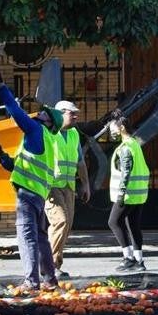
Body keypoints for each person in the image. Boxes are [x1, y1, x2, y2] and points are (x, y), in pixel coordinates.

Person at [0, 67, 61, 291]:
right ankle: (50, 280)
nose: (40, 113)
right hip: (38, 196)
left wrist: (1, 86)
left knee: (27, 236)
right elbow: (19, 167)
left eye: (44, 114)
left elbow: (15, 111)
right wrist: (2, 156)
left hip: (27, 196)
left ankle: (32, 281)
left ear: (49, 123)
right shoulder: (47, 141)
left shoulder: (35, 130)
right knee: (41, 238)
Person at [47, 99, 92, 278]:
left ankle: (55, 266)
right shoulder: (50, 132)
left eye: (76, 113)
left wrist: (86, 184)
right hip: (51, 186)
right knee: (61, 221)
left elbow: (80, 162)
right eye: (71, 113)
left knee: (66, 226)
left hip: (68, 186)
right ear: (60, 114)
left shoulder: (73, 134)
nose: (75, 116)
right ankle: (49, 266)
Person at [107, 110, 149, 271]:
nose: (111, 133)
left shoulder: (125, 147)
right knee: (133, 225)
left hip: (128, 194)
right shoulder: (135, 144)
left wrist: (120, 195)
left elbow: (126, 173)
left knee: (113, 222)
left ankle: (128, 257)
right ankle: (139, 261)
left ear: (122, 127)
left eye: (113, 129)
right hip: (139, 194)